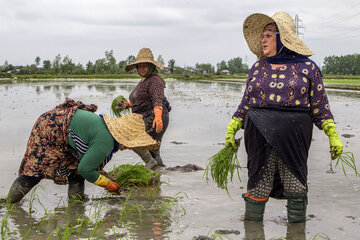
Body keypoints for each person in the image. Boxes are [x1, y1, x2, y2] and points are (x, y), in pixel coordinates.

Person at [224, 12, 343, 223]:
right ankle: (252, 232)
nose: (263, 39)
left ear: (282, 38)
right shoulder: (258, 67)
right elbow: (246, 101)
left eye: (268, 34)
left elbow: (320, 106)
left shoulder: (308, 68)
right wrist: (234, 124)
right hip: (258, 135)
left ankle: (297, 232)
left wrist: (333, 134)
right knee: (258, 184)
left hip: (294, 139)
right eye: (263, 35)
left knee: (295, 185)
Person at [3, 98, 160, 204]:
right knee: (35, 171)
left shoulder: (107, 133)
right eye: (130, 144)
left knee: (74, 170)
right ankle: (9, 204)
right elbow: (86, 169)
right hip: (50, 128)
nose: (127, 148)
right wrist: (109, 185)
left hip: (64, 126)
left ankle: (76, 204)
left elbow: (83, 167)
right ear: (123, 137)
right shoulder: (105, 142)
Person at [120, 48, 171, 170]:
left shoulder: (155, 80)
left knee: (134, 140)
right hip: (147, 115)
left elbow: (157, 99)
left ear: (151, 67)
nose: (142, 69)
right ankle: (156, 177)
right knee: (153, 149)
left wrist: (158, 117)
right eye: (140, 66)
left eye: (145, 66)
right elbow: (143, 101)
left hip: (154, 117)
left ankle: (152, 167)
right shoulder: (144, 80)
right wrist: (128, 105)